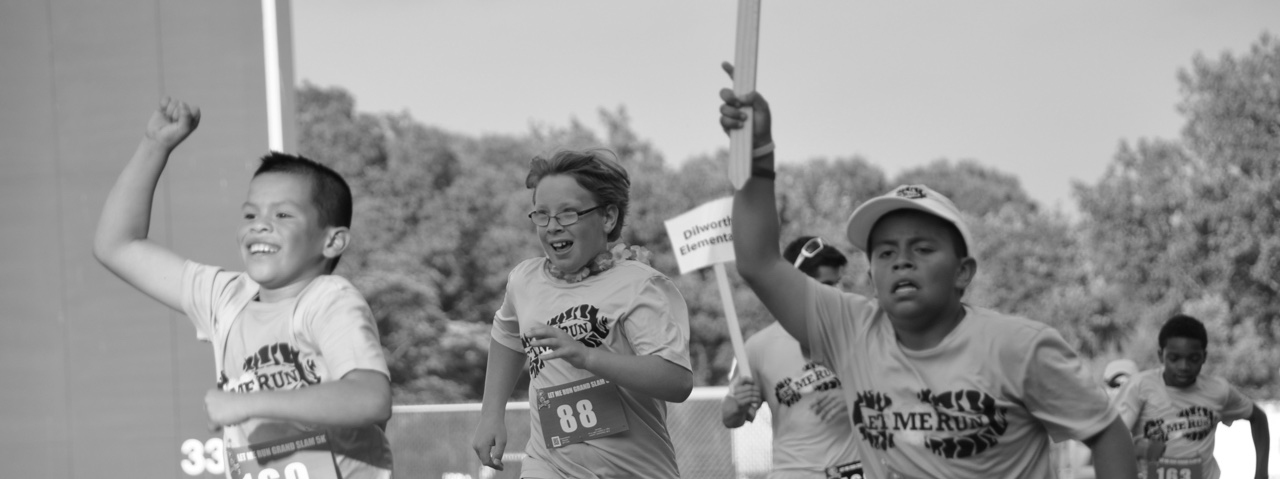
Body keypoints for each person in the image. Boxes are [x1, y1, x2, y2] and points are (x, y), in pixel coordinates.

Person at [718, 63, 1137, 478]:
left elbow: (1106, 433)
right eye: (885, 252)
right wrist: (757, 154)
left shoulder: (1020, 348)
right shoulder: (850, 330)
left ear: (963, 272)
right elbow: (758, 261)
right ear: (870, 279)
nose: (901, 260)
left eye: (922, 248)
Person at [93, 99, 393, 478]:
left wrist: (249, 403)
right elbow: (117, 246)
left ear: (332, 242)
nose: (260, 225)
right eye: (251, 214)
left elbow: (371, 398)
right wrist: (155, 145)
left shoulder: (329, 300)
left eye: (282, 214)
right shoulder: (225, 297)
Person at [470, 149, 693, 478]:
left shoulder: (639, 284)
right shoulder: (524, 281)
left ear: (607, 217)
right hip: (547, 466)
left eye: (568, 214)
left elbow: (676, 381)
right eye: (541, 215)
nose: (553, 226)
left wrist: (588, 357)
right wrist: (491, 413)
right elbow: (506, 336)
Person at [721, 235, 862, 478]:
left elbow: (899, 395)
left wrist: (854, 397)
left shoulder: (858, 331)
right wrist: (737, 404)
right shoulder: (758, 346)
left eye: (839, 283)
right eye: (827, 285)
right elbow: (730, 417)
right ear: (797, 284)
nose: (837, 293)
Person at [1114, 314, 1270, 479]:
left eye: (1193, 358)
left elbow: (1258, 418)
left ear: (1204, 357)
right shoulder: (1139, 387)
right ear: (1161, 355)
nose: (1184, 366)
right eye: (1174, 358)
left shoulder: (1218, 391)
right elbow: (1109, 439)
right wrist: (1139, 449)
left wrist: (1261, 472)